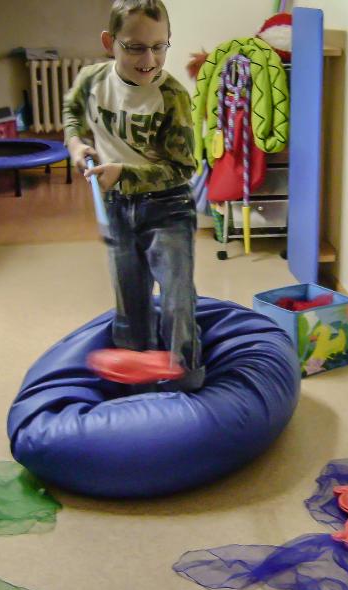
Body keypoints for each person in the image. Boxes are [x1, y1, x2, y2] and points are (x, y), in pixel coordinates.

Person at [63, 0, 203, 391]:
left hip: (168, 207)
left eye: (159, 47)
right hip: (116, 207)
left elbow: (182, 169)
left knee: (177, 299)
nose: (149, 60)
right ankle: (135, 383)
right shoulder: (92, 80)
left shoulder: (172, 96)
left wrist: (123, 172)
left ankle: (186, 380)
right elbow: (72, 112)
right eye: (136, 47)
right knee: (130, 300)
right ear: (110, 42)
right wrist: (75, 143)